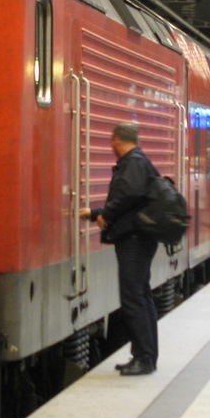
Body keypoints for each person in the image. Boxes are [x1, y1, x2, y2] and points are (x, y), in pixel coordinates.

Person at [80, 123, 159, 376]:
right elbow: (131, 200)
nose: (111, 145)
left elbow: (129, 195)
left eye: (111, 141)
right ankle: (146, 355)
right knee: (141, 295)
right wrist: (96, 214)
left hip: (134, 239)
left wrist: (108, 216)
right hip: (138, 236)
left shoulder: (133, 162)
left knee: (134, 297)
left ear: (116, 141)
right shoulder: (138, 161)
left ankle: (144, 358)